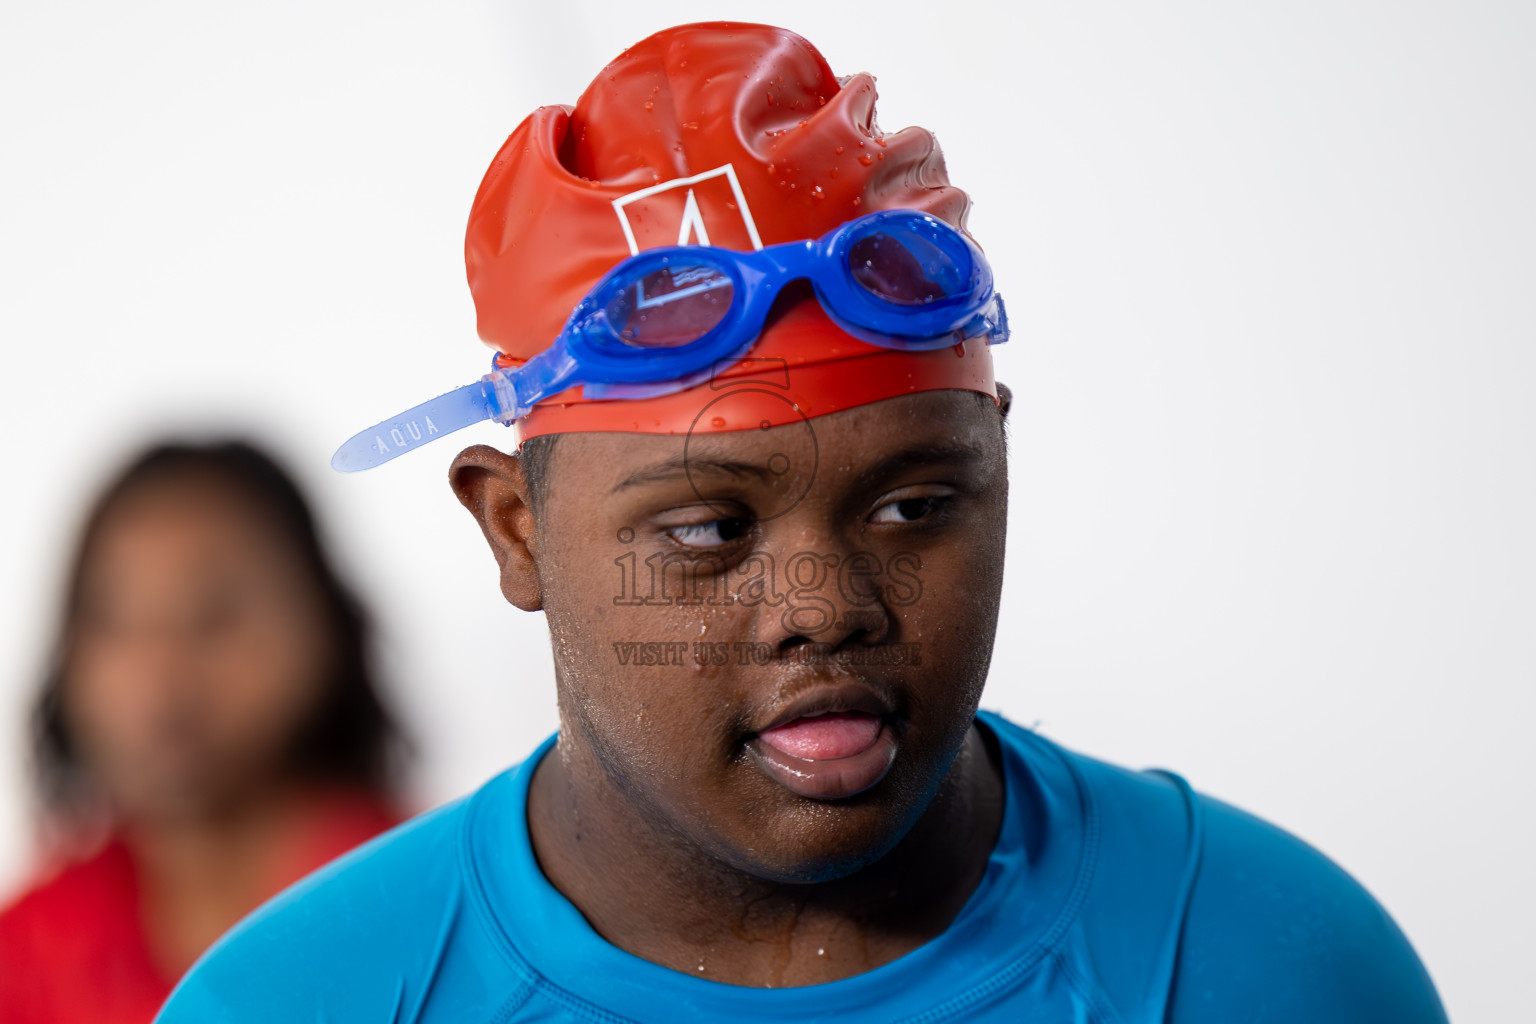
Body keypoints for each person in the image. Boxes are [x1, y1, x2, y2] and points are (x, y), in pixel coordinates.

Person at [157, 23, 1447, 1022]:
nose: (826, 606)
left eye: (914, 504)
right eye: (708, 530)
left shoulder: (1266, 962)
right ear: (518, 535)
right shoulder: (302, 998)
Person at [0, 440, 406, 1024]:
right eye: (113, 618)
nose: (158, 670)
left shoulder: (424, 908)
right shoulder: (29, 948)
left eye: (214, 615)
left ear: (323, 629)